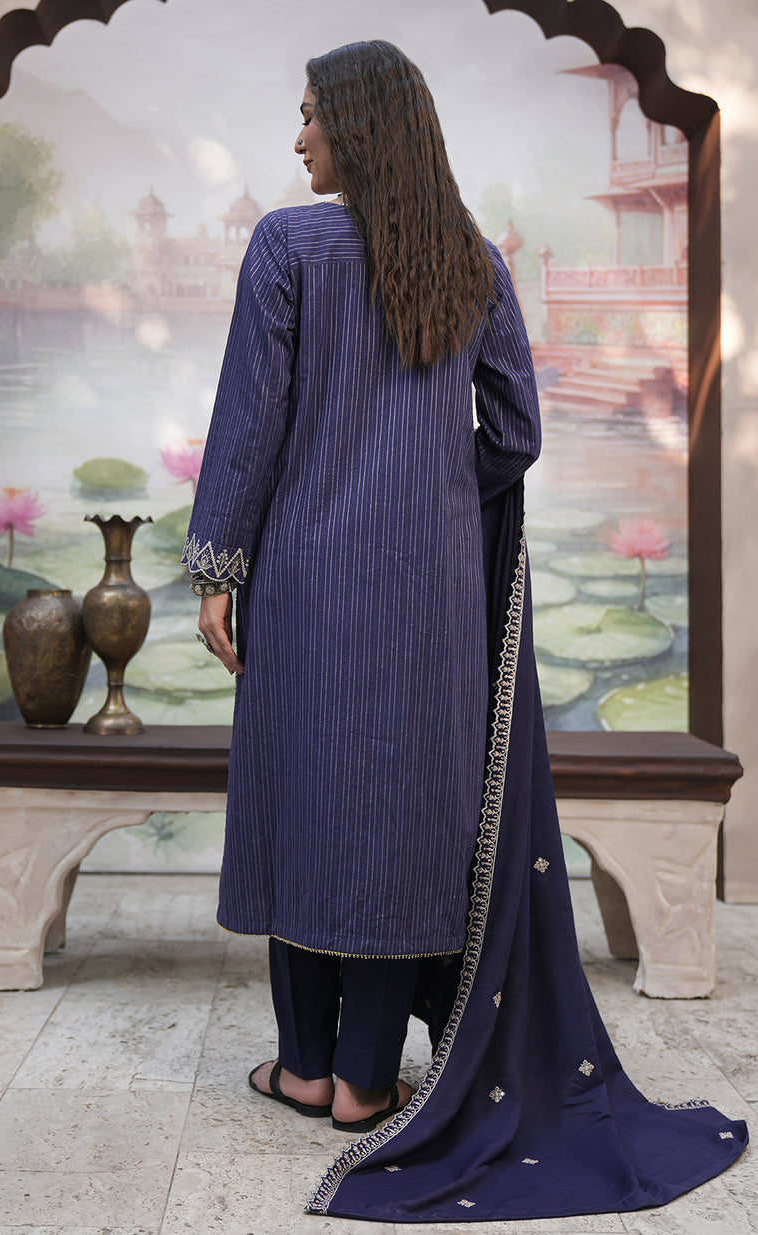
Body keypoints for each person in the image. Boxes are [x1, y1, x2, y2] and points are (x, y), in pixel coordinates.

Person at [183, 40, 746, 1224]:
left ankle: (299, 1060)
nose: (296, 142)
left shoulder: (288, 244)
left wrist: (222, 564)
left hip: (307, 574)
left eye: (307, 119)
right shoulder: (472, 258)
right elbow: (518, 431)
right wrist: (438, 495)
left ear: (354, 127)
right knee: (394, 810)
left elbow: (249, 423)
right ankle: (359, 1079)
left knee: (304, 798)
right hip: (432, 589)